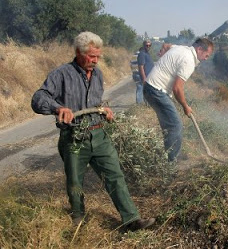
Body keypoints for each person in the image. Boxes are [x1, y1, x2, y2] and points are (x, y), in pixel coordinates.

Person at [31, 31, 155, 231]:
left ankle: (131, 219)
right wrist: (58, 108)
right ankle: (79, 220)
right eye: (92, 56)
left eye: (98, 56)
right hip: (74, 137)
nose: (96, 61)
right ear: (79, 52)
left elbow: (94, 102)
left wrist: (103, 109)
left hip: (99, 135)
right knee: (75, 182)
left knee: (115, 175)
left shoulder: (98, 74)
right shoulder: (61, 74)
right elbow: (38, 98)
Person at [143, 38, 214, 162]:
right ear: (199, 49)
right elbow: (177, 89)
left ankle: (167, 157)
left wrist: (163, 54)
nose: (206, 58)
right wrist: (185, 106)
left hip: (150, 88)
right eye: (206, 55)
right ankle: (170, 164)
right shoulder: (189, 61)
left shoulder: (181, 48)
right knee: (176, 125)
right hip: (156, 91)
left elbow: (166, 45)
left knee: (169, 126)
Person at [136, 40, 154, 104]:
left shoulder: (147, 53)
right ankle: (139, 105)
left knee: (146, 91)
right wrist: (144, 78)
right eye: (147, 45)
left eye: (149, 45)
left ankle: (146, 104)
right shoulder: (142, 54)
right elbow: (141, 66)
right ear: (143, 45)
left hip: (148, 76)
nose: (148, 47)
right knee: (140, 89)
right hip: (144, 76)